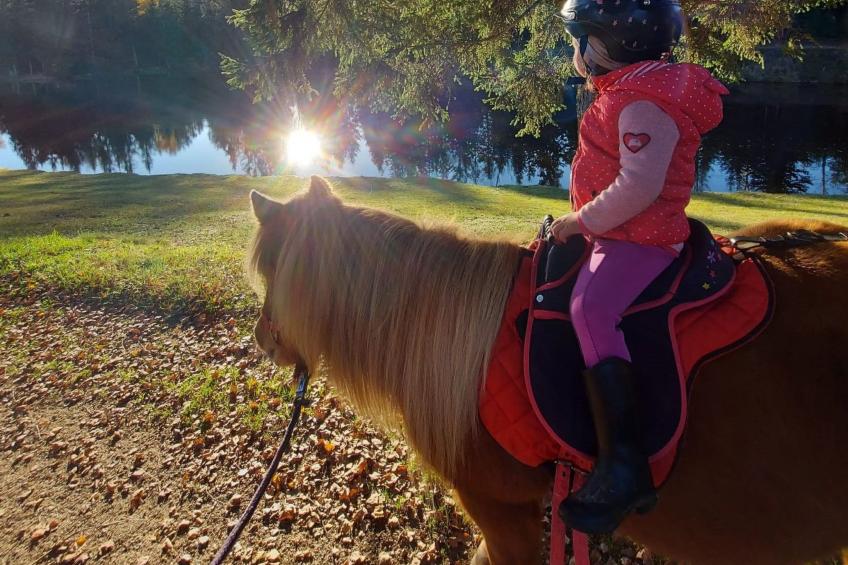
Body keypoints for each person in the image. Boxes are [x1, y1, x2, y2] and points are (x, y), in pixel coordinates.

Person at [550, 0, 729, 534]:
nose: (574, 52)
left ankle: (625, 464)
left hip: (640, 239)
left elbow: (639, 188)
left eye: (579, 39)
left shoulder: (643, 105)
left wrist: (579, 221)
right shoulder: (632, 93)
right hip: (624, 233)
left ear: (605, 44)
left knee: (590, 308)